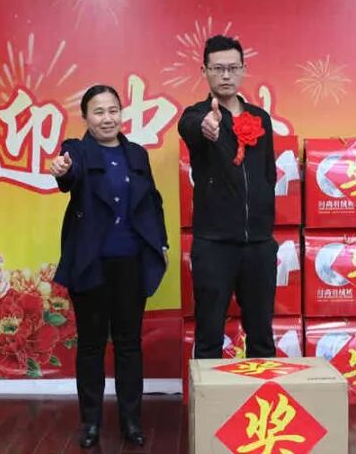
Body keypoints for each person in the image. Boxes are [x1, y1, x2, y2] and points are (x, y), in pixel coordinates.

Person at [50, 85, 168, 449]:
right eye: (98, 112)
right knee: (91, 345)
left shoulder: (136, 154)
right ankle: (90, 423)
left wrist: (161, 242)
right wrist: (61, 170)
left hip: (130, 262)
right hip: (91, 263)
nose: (107, 118)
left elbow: (152, 202)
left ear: (121, 113)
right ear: (86, 117)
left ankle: (131, 421)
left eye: (113, 110)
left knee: (129, 344)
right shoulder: (77, 151)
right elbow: (67, 176)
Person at [178, 35, 278, 360]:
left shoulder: (260, 118)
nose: (225, 75)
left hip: (258, 244)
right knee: (209, 336)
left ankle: (264, 393)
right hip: (214, 244)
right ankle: (207, 395)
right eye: (218, 68)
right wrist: (207, 126)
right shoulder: (197, 114)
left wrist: (264, 223)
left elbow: (268, 173)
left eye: (233, 68)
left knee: (261, 335)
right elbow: (190, 127)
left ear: (243, 69)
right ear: (204, 71)